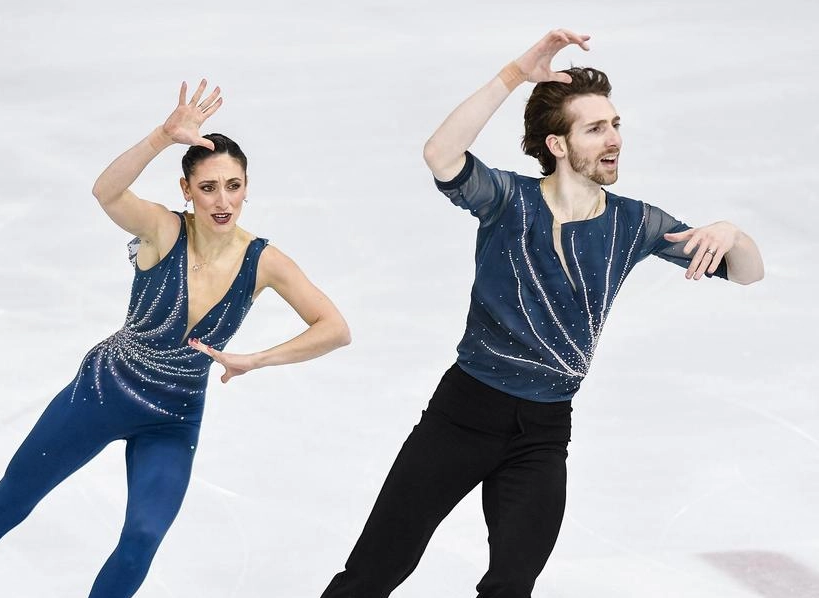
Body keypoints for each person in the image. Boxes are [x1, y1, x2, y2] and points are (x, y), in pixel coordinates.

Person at [320, 29, 764, 598]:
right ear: (558, 145)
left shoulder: (635, 224)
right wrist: (513, 75)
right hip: (463, 417)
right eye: (596, 128)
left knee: (511, 586)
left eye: (616, 124)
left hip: (545, 433)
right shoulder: (509, 201)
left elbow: (747, 271)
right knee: (374, 571)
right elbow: (440, 155)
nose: (615, 139)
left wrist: (732, 231)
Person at [0, 79, 351, 598]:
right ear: (187, 190)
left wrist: (258, 358)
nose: (223, 201)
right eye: (208, 187)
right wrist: (162, 136)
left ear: (247, 185)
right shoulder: (164, 230)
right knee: (9, 502)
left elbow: (334, 328)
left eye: (234, 185)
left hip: (173, 419)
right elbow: (105, 191)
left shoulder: (264, 261)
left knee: (141, 538)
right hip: (102, 393)